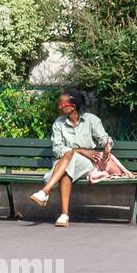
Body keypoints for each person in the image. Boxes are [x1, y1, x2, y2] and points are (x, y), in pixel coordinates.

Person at [28, 89, 126, 227]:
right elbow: (57, 149)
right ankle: (64, 215)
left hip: (87, 164)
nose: (59, 107)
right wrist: (78, 150)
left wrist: (107, 146)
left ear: (72, 106)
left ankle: (45, 191)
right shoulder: (58, 123)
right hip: (63, 163)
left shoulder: (91, 120)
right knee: (69, 163)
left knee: (70, 158)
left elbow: (104, 138)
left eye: (62, 104)